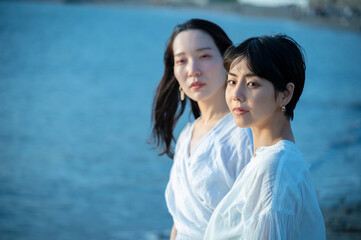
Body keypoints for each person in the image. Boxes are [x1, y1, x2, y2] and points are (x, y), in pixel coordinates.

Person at [204, 34, 326, 239]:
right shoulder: (275, 160)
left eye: (252, 84)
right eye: (232, 81)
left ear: (285, 94)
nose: (236, 94)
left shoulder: (274, 167)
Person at [150, 19, 253, 240]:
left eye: (204, 56)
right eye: (181, 61)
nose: (193, 70)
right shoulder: (187, 134)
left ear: (228, 62)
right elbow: (181, 223)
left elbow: (257, 222)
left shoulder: (245, 134)